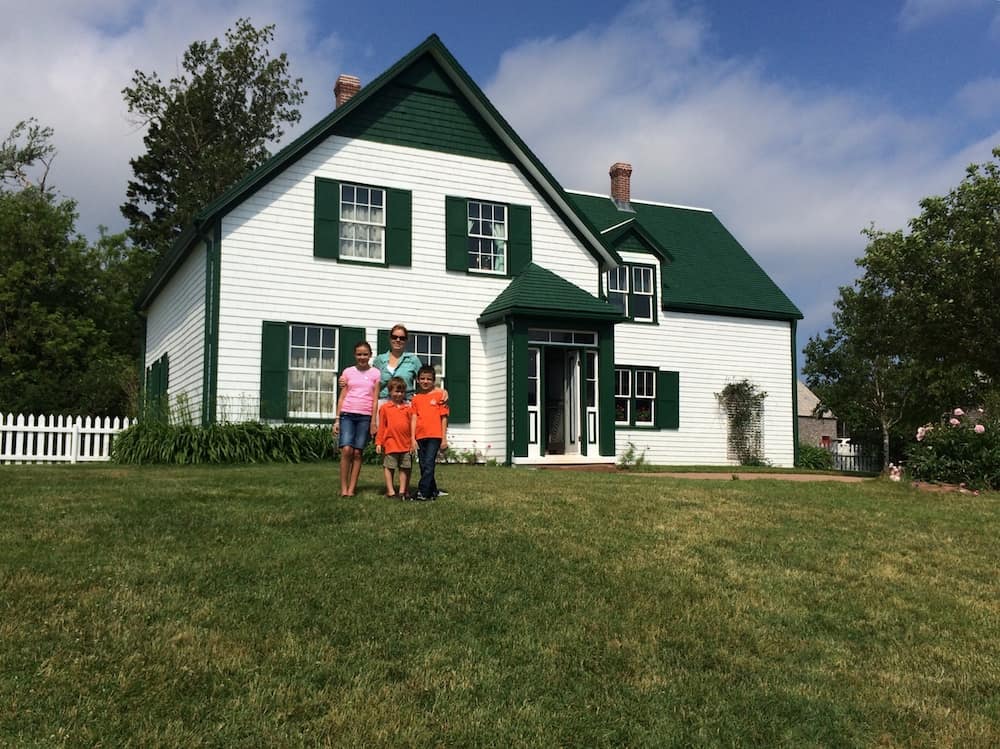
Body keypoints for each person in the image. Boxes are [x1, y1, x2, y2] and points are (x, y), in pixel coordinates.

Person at [333, 341, 380, 497]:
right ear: (355, 355)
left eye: (365, 354)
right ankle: (344, 488)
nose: (362, 357)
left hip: (365, 416)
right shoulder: (348, 372)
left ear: (370, 355)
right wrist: (337, 419)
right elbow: (342, 397)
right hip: (347, 414)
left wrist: (374, 421)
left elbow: (375, 399)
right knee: (346, 449)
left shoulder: (375, 374)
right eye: (359, 354)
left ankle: (352, 489)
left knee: (358, 452)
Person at [411, 365, 450, 501]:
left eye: (428, 379)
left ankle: (422, 492)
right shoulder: (416, 399)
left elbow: (444, 417)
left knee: (429, 463)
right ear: (418, 380)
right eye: (422, 379)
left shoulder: (440, 396)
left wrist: (444, 438)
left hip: (435, 435)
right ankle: (433, 491)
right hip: (420, 435)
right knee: (423, 465)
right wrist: (412, 438)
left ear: (434, 381)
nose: (425, 381)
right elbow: (414, 418)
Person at [375, 376, 415, 499]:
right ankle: (391, 491)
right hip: (390, 443)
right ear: (390, 392)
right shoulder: (385, 408)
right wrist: (379, 442)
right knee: (389, 466)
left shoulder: (408, 408)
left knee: (405, 467)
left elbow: (412, 425)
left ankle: (402, 491)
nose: (399, 394)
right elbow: (381, 426)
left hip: (406, 443)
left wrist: (413, 442)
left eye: (402, 392)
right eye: (396, 391)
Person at [372, 324, 424, 400]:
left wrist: (439, 391)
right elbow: (371, 384)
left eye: (402, 338)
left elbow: (425, 381)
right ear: (390, 339)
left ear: (406, 340)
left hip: (405, 404)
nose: (398, 340)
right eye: (394, 337)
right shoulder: (379, 360)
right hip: (383, 403)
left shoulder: (413, 360)